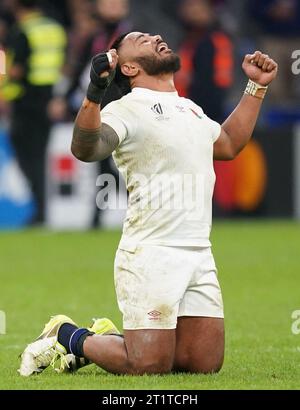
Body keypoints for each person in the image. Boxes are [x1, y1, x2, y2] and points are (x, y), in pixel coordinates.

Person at [19, 32, 278, 376]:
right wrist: (93, 95)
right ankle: (67, 335)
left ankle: (104, 340)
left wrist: (256, 87)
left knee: (202, 365)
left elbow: (228, 144)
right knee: (148, 365)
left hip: (198, 251)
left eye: (152, 35)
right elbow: (86, 148)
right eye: (141, 39)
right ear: (127, 66)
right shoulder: (124, 109)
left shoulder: (189, 108)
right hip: (151, 253)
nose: (156, 36)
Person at [0, 0, 66, 225]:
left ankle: (39, 212)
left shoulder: (20, 32)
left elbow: (14, 69)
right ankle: (40, 211)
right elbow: (64, 65)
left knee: (28, 157)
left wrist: (2, 85)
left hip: (25, 102)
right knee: (39, 156)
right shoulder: (55, 29)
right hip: (49, 100)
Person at [175, 0, 233, 122]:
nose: (192, 12)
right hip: (183, 108)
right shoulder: (187, 39)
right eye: (188, 6)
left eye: (197, 8)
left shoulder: (217, 40)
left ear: (210, 12)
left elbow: (220, 80)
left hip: (204, 111)